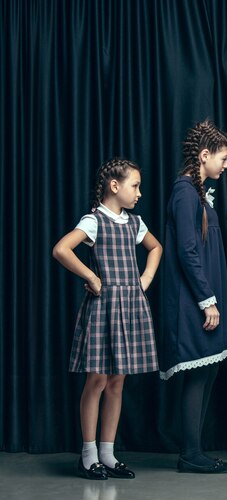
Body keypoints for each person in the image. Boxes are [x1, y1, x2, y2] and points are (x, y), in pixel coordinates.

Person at [52, 158, 162, 480]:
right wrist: (92, 276)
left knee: (117, 381)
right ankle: (88, 456)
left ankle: (108, 454)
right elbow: (61, 250)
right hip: (104, 308)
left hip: (129, 306)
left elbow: (155, 248)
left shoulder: (135, 222)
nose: (139, 192)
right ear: (115, 186)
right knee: (97, 380)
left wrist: (145, 279)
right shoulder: (94, 220)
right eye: (135, 186)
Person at [159, 120, 227, 474]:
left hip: (205, 296)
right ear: (205, 156)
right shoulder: (185, 192)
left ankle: (195, 449)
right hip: (192, 300)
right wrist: (208, 300)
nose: (226, 166)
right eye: (223, 158)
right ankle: (190, 452)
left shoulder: (197, 192)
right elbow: (188, 251)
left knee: (210, 368)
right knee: (199, 373)